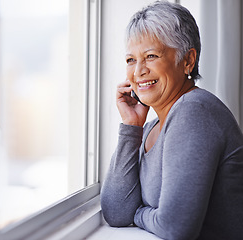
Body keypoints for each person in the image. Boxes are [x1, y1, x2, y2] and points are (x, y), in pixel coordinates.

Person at [100, 1, 243, 240]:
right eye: (130, 60)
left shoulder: (194, 111)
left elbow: (175, 228)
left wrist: (139, 213)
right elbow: (115, 211)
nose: (138, 72)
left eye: (151, 56)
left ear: (187, 61)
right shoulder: (151, 127)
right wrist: (131, 127)